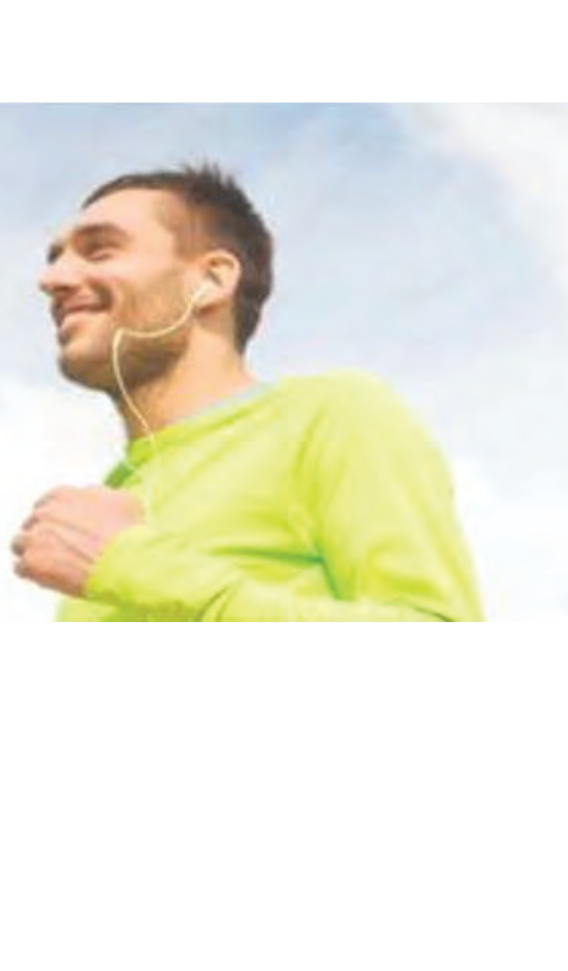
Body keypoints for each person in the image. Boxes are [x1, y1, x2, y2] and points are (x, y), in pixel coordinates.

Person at [12, 163, 484, 969]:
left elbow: (436, 669)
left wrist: (138, 567)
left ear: (211, 280)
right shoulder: (109, 512)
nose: (53, 277)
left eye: (99, 249)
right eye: (56, 255)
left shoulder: (332, 416)